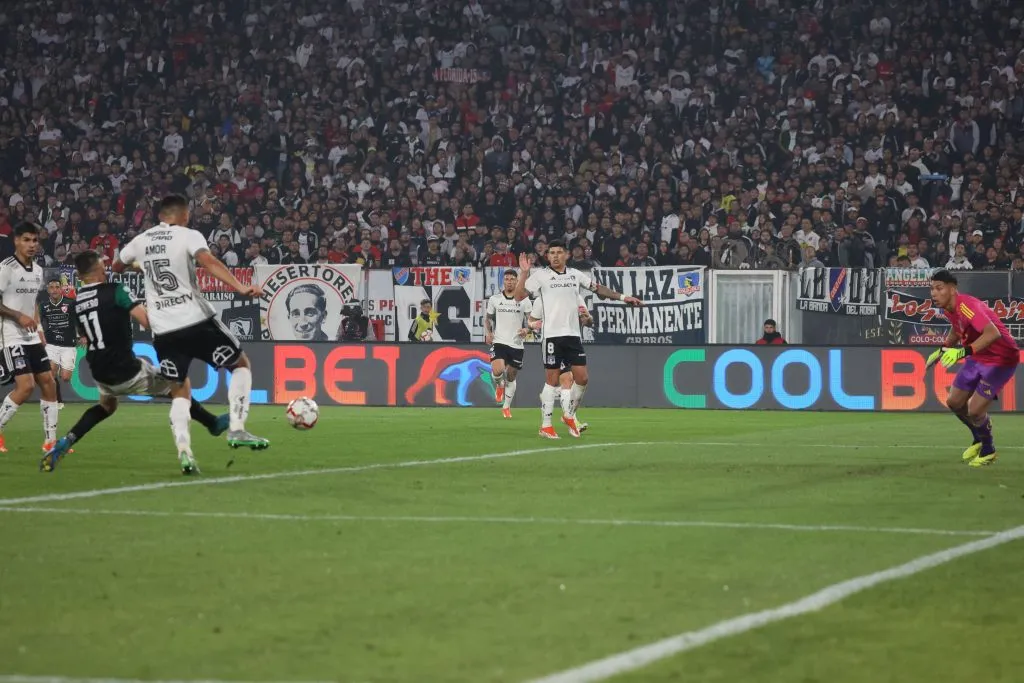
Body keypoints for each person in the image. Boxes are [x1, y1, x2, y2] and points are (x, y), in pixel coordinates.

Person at [113, 194, 266, 474]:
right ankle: (237, 428)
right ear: (183, 215)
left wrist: (141, 264)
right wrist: (240, 287)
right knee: (240, 363)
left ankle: (185, 452)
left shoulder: (141, 240)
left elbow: (116, 266)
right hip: (195, 320)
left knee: (179, 388)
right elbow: (208, 261)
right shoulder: (188, 234)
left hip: (163, 330)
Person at [41, 251, 229, 473]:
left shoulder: (77, 301)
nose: (105, 268)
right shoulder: (116, 290)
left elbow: (85, 336)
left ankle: (67, 440)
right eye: (103, 264)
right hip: (125, 369)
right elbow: (147, 321)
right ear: (98, 269)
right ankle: (204, 431)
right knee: (179, 384)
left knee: (106, 406)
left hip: (99, 369)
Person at [514, 240, 641, 438]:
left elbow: (599, 289)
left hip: (573, 336)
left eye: (559, 252)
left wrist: (625, 298)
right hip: (552, 336)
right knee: (552, 380)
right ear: (547, 256)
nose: (555, 256)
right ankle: (546, 426)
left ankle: (569, 415)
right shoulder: (541, 276)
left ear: (566, 255)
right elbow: (519, 296)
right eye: (551, 253)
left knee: (582, 378)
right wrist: (523, 273)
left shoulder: (575, 275)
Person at [926, 269, 1020, 467]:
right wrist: (943, 349)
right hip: (979, 355)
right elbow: (957, 328)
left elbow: (992, 333)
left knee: (975, 410)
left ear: (952, 290)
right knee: (954, 402)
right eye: (932, 289)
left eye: (939, 288)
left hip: (1000, 358)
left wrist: (961, 352)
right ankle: (978, 436)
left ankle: (989, 449)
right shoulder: (950, 309)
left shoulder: (967, 306)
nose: (933, 293)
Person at [0, 222, 59, 453]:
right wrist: (19, 317)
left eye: (35, 240)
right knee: (25, 387)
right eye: (26, 240)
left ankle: (50, 442)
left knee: (49, 382)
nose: (32, 245)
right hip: (9, 334)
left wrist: (39, 330)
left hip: (31, 336)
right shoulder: (6, 268)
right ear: (16, 241)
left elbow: (33, 302)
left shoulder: (37, 270)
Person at [527, 293, 592, 432]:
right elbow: (531, 321)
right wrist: (534, 324)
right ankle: (569, 419)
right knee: (567, 379)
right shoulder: (542, 298)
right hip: (553, 342)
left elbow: (587, 320)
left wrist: (587, 319)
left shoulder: (576, 296)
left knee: (579, 379)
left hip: (572, 342)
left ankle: (561, 404)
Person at [484, 269, 532, 418]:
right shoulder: (495, 299)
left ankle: (506, 407)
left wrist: (526, 329)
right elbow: (488, 318)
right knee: (498, 371)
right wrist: (489, 333)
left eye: (512, 279)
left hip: (516, 343)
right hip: (499, 341)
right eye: (507, 279)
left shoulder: (524, 300)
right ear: (503, 281)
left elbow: (532, 320)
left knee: (511, 376)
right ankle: (499, 385)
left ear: (517, 281)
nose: (509, 281)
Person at [40, 277, 77, 408]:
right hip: (51, 344)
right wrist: (40, 336)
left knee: (66, 377)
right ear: (48, 290)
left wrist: (83, 335)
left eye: (57, 287)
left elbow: (81, 318)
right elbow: (39, 322)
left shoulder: (71, 303)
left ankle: (63, 371)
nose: (54, 290)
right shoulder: (43, 305)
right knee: (51, 373)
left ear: (61, 289)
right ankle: (57, 400)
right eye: (51, 287)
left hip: (69, 345)